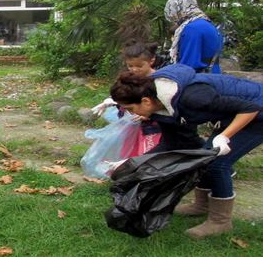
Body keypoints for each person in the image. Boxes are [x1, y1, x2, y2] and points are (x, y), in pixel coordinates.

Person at [109, 63, 263, 239]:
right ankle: (201, 205)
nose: (130, 114)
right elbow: (170, 143)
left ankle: (221, 221)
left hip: (256, 110)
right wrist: (132, 162)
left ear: (145, 101)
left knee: (217, 164)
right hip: (234, 113)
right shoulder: (161, 107)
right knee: (203, 156)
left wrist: (225, 136)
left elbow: (250, 108)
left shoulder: (193, 97)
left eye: (130, 109)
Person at [164, 0, 223, 73]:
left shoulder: (192, 29)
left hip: (199, 79)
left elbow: (188, 63)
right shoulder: (207, 24)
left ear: (179, 9)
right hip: (214, 74)